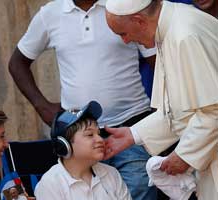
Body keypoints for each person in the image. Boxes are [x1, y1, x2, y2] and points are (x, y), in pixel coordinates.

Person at [8, 0, 157, 199]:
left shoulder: (122, 6)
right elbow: (17, 62)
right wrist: (41, 106)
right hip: (78, 137)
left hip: (131, 127)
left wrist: (163, 110)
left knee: (139, 189)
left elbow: (158, 59)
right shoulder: (50, 14)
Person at [104, 0, 218, 199]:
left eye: (123, 33)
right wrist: (133, 134)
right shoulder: (170, 28)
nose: (125, 41)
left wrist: (184, 155)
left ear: (139, 20)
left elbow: (214, 110)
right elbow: (181, 107)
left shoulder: (185, 34)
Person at [34, 101, 132, 200]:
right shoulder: (51, 184)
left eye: (99, 133)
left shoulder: (111, 174)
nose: (100, 140)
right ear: (64, 145)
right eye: (90, 135)